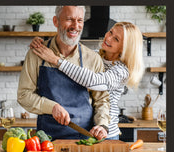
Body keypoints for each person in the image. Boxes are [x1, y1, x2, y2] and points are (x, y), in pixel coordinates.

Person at [30, 21, 144, 139]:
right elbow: (70, 51)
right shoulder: (95, 56)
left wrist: (56, 60)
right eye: (110, 32)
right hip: (87, 129)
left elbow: (93, 81)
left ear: (125, 48)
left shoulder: (121, 71)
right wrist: (44, 44)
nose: (108, 38)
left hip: (105, 132)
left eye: (116, 39)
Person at [17, 6, 110, 140]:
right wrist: (52, 107)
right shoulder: (37, 54)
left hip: (84, 137)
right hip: (47, 139)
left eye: (80, 20)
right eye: (69, 19)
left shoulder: (92, 58)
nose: (75, 26)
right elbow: (24, 95)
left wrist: (102, 125)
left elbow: (101, 99)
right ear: (56, 21)